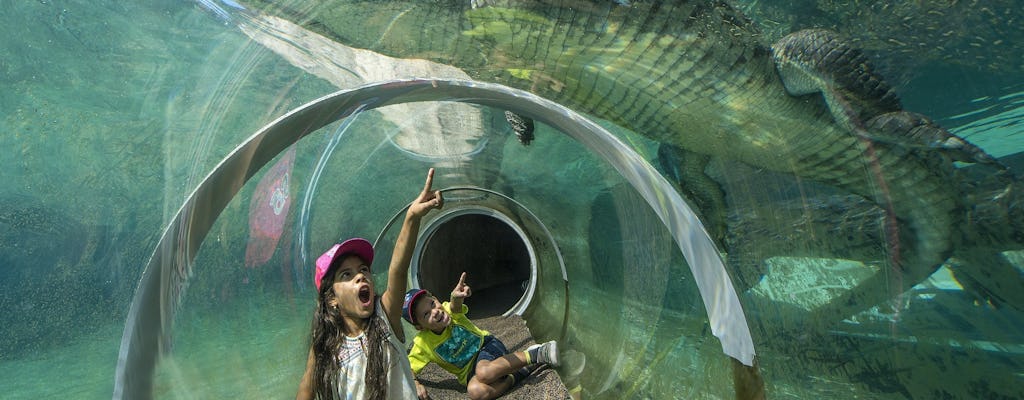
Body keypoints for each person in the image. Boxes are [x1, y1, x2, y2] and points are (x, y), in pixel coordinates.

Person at [296, 168, 444, 400]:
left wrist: (412, 217)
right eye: (346, 275)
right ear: (331, 299)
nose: (360, 276)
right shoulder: (326, 345)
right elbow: (307, 386)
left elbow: (398, 267)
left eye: (363, 270)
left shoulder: (385, 318)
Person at [403, 272, 560, 400]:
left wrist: (456, 297)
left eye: (432, 303)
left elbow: (455, 306)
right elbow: (408, 367)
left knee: (484, 372)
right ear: (420, 327)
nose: (435, 311)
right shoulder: (422, 344)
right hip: (471, 373)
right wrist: (415, 383)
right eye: (426, 314)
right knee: (475, 391)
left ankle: (537, 353)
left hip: (486, 347)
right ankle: (520, 372)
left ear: (436, 299)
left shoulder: (449, 311)